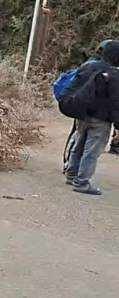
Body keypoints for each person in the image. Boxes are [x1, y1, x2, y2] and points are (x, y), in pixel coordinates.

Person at [64, 41, 119, 195]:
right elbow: (116, 102)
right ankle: (82, 182)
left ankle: (72, 174)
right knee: (91, 152)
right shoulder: (114, 75)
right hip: (101, 120)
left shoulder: (88, 67)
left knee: (78, 145)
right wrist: (118, 125)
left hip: (82, 114)